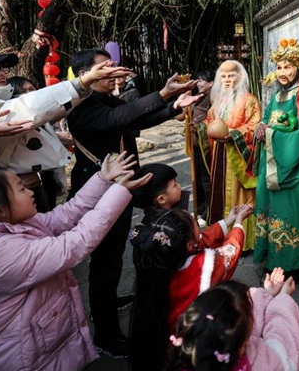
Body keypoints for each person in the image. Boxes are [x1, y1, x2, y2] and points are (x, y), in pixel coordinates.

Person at [0, 152, 152, 371]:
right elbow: (75, 244)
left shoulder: (8, 228)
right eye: (21, 188)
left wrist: (102, 180)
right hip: (17, 358)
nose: (31, 191)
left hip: (34, 343)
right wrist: (118, 191)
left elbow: (64, 215)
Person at [67, 47, 201, 357]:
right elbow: (119, 116)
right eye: (105, 66)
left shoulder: (105, 99)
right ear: (85, 74)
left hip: (120, 184)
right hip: (98, 189)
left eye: (113, 64)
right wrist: (163, 92)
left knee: (113, 256)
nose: (113, 70)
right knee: (105, 263)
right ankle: (106, 334)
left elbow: (133, 121)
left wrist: (172, 107)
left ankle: (109, 302)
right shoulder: (81, 106)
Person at [0, 46, 129, 211]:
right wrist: (83, 82)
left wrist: (84, 85)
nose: (2, 73)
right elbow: (24, 111)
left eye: (1, 67)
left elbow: (45, 111)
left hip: (26, 194)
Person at [128, 164, 251, 370]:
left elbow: (202, 238)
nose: (199, 230)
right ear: (189, 245)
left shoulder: (159, 239)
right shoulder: (200, 266)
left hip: (164, 331)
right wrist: (238, 224)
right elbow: (228, 254)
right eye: (175, 184)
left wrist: (227, 220)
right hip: (192, 338)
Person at [253, 40, 299, 275]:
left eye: (288, 67)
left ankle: (292, 265)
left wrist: (271, 134)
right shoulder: (276, 95)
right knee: (271, 209)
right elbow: (267, 117)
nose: (282, 73)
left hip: (291, 164)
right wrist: (261, 125)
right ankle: (272, 256)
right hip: (270, 163)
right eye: (279, 67)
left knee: (290, 212)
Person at [167, 272, 299, 371]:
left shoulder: (182, 357)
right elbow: (284, 348)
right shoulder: (259, 363)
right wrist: (283, 299)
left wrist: (266, 294)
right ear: (241, 345)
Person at [198, 60, 261, 251]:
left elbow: (254, 125)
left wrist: (232, 133)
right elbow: (210, 120)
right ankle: (220, 234)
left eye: (231, 75)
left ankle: (242, 240)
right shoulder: (218, 100)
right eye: (223, 76)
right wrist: (200, 128)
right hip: (219, 155)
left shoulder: (250, 100)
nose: (227, 79)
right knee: (218, 193)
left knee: (237, 194)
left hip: (236, 157)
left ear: (240, 77)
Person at [7, 75, 71, 210]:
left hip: (44, 178)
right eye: (24, 91)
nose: (31, 94)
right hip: (23, 185)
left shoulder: (44, 115)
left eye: (32, 89)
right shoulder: (10, 121)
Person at [177, 69, 215, 218]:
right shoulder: (197, 98)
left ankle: (210, 211)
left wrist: (200, 126)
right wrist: (183, 97)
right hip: (196, 145)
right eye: (197, 80)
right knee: (198, 180)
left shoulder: (214, 98)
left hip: (207, 146)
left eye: (201, 80)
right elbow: (180, 117)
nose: (198, 83)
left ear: (211, 83)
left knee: (207, 180)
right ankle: (200, 210)